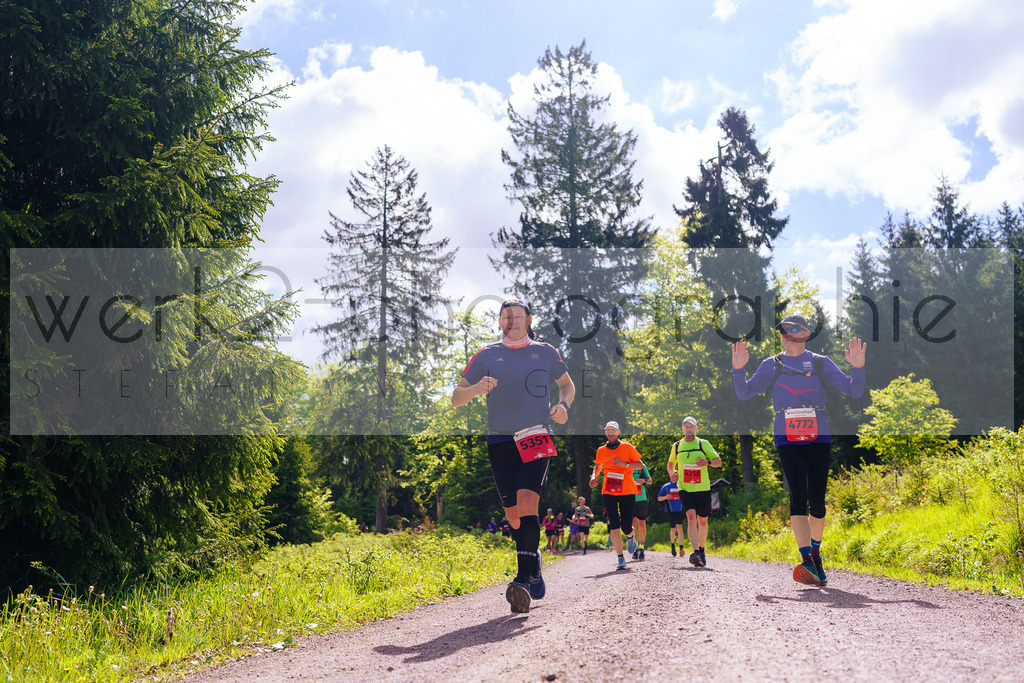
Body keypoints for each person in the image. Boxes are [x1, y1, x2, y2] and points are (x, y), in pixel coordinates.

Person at [452, 299, 576, 613]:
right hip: (500, 440)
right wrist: (475, 387)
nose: (512, 321)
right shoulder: (486, 354)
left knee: (527, 502)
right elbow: (456, 398)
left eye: (518, 316)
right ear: (499, 322)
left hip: (536, 434)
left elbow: (567, 386)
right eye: (507, 316)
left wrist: (563, 406)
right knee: (513, 516)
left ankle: (521, 581)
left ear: (529, 320)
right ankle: (533, 562)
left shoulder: (546, 351)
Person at [732, 314, 866, 587]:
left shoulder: (820, 362)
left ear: (805, 334)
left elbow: (854, 391)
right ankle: (806, 559)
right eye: (783, 330)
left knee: (817, 501)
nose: (786, 335)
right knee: (798, 497)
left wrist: (859, 368)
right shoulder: (771, 364)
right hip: (786, 436)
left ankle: (816, 555)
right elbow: (744, 393)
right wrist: (737, 370)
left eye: (793, 330)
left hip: (819, 435)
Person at [667, 416, 722, 567]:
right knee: (691, 518)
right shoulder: (677, 446)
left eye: (691, 426)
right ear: (682, 429)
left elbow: (719, 462)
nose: (689, 428)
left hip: (702, 488)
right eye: (686, 426)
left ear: (696, 428)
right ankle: (696, 551)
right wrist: (672, 474)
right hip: (685, 488)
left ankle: (702, 550)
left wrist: (708, 462)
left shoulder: (703, 444)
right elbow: (670, 463)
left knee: (702, 521)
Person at [590, 421, 645, 570]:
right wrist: (593, 477)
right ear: (605, 432)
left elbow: (639, 465)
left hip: (627, 489)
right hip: (608, 490)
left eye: (613, 430)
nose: (610, 432)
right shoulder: (601, 450)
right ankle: (620, 558)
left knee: (626, 525)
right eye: (608, 430)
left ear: (618, 432)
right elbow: (598, 465)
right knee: (613, 524)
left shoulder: (627, 447)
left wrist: (624, 464)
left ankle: (630, 535)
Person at [631, 461, 653, 560]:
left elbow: (650, 481)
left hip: (641, 499)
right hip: (629, 499)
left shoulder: (642, 466)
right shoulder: (625, 466)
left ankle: (642, 547)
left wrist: (643, 480)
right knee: (633, 525)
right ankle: (635, 548)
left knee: (641, 524)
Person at [657, 479, 684, 558]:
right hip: (670, 510)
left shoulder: (681, 485)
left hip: (679, 509)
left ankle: (681, 548)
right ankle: (673, 545)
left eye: (676, 474)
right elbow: (659, 498)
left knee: (680, 528)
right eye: (673, 474)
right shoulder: (666, 486)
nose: (674, 476)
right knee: (673, 529)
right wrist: (666, 497)